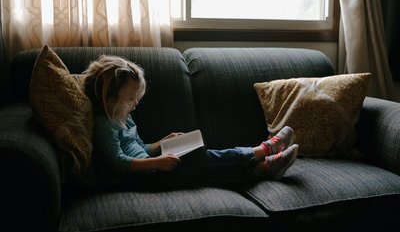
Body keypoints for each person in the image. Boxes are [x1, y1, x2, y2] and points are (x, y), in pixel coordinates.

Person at [83, 55, 299, 190]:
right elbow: (119, 161)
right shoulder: (105, 124)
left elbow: (141, 148)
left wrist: (161, 143)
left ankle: (263, 167)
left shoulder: (124, 117)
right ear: (110, 99)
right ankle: (264, 151)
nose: (136, 103)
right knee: (201, 160)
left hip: (150, 168)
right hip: (142, 179)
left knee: (201, 160)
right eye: (131, 99)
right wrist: (158, 162)